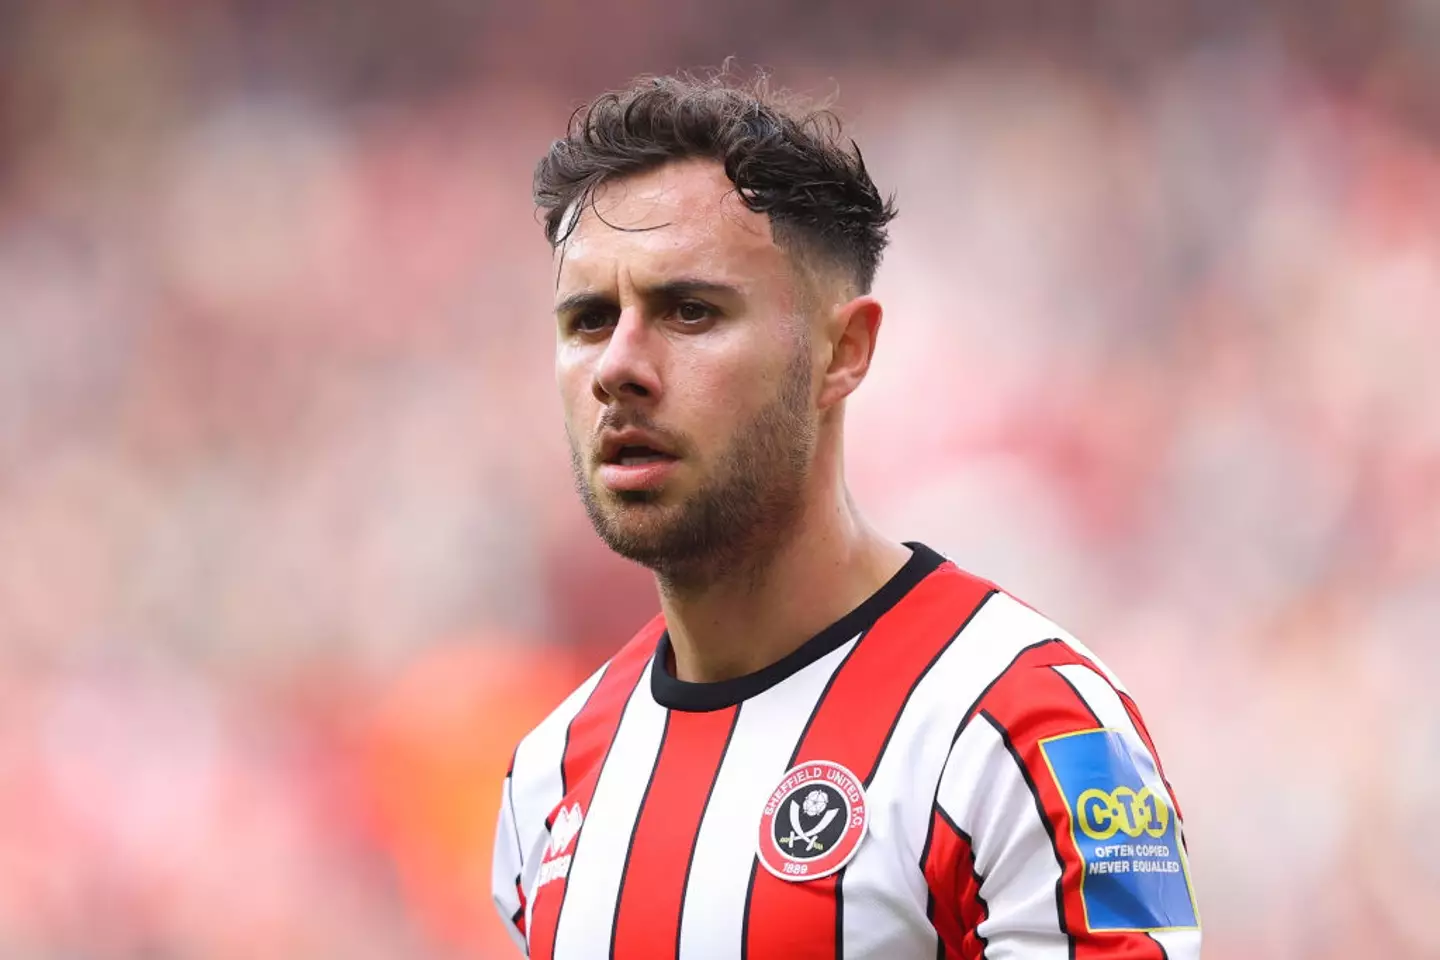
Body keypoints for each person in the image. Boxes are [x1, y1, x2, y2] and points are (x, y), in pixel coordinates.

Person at [491, 72, 1201, 960]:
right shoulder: (549, 777)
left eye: (690, 312)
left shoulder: (1039, 727)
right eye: (591, 321)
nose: (618, 368)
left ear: (843, 351)